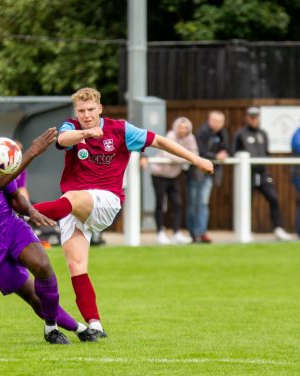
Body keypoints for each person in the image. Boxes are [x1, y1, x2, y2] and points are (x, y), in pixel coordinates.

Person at [33, 88, 214, 336]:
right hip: (76, 208)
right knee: (76, 264)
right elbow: (63, 140)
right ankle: (95, 325)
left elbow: (159, 141)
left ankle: (19, 214)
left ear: (100, 108)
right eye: (81, 111)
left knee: (70, 198)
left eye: (90, 110)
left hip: (106, 200)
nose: (86, 115)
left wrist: (197, 159)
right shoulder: (72, 127)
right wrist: (85, 133)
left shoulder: (121, 130)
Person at [0, 127, 96, 344]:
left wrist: (30, 211)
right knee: (33, 296)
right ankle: (78, 328)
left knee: (42, 266)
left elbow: (12, 195)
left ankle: (51, 329)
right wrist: (32, 151)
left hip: (9, 225)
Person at [232, 106, 292, 241]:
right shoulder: (240, 134)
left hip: (263, 174)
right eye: (251, 117)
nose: (254, 119)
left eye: (256, 117)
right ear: (247, 117)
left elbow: (266, 153)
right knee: (246, 202)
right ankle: (246, 231)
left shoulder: (263, 134)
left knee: (273, 198)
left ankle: (278, 228)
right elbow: (234, 152)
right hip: (247, 174)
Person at [150, 117, 198, 245]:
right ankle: (160, 232)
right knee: (160, 204)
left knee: (177, 203)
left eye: (185, 127)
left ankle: (176, 232)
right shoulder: (170, 136)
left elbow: (194, 153)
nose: (182, 130)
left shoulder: (190, 138)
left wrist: (185, 158)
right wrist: (185, 157)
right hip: (160, 174)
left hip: (174, 175)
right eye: (180, 127)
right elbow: (169, 155)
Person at [187, 110, 229, 243]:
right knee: (193, 203)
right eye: (214, 120)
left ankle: (201, 232)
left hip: (209, 173)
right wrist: (215, 156)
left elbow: (226, 148)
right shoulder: (202, 133)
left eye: (219, 121)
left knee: (203, 203)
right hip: (196, 173)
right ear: (209, 120)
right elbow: (200, 152)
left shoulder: (223, 133)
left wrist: (224, 153)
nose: (217, 124)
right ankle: (194, 234)